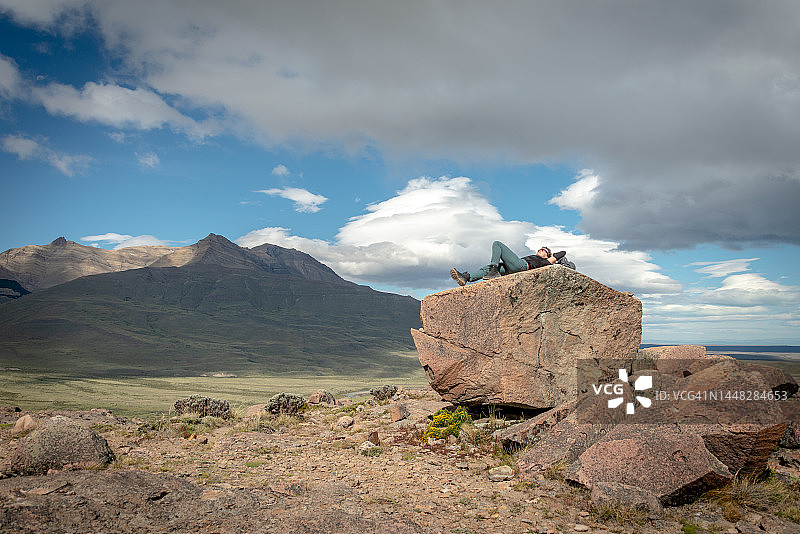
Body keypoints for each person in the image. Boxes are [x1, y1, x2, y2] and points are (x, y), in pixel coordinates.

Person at [450, 241, 568, 286]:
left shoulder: (546, 262)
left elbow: (562, 253)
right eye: (540, 249)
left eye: (543, 250)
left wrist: (552, 258)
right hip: (511, 269)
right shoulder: (537, 257)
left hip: (521, 265)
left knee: (497, 244)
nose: (540, 250)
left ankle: (494, 270)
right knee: (487, 268)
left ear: (548, 255)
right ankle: (467, 278)